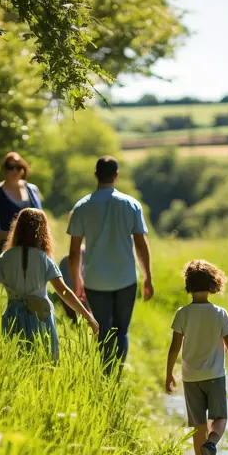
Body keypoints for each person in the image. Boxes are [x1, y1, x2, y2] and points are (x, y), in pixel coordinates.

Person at [67, 156, 153, 369]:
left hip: (95, 280)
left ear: (95, 174)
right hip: (125, 278)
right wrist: (147, 277)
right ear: (116, 175)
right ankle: (116, 374)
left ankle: (106, 373)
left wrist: (77, 280)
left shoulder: (82, 207)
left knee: (102, 329)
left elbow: (74, 251)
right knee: (121, 330)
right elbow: (141, 245)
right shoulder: (131, 204)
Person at [0, 208, 98, 359]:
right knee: (44, 360)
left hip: (14, 315)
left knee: (16, 360)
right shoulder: (44, 259)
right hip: (40, 316)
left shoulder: (5, 257)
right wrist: (89, 317)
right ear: (43, 232)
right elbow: (64, 292)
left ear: (18, 229)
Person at [165, 259, 228, 455]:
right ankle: (211, 445)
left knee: (198, 425)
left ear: (188, 287)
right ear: (213, 285)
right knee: (219, 418)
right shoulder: (220, 314)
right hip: (215, 376)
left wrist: (168, 374)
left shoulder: (182, 313)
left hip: (190, 377)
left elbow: (174, 348)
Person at [0, 152, 43, 256]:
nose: (15, 171)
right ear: (4, 169)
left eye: (18, 167)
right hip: (8, 253)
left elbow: (43, 221)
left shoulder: (33, 190)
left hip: (35, 251)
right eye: (10, 167)